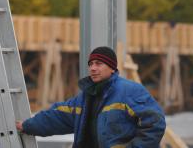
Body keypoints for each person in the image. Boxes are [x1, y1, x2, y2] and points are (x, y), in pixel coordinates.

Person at [16, 46, 166, 147]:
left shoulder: (130, 91)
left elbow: (155, 123)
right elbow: (57, 117)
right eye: (91, 64)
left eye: (99, 64)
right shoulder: (85, 97)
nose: (93, 68)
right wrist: (27, 125)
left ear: (112, 68)